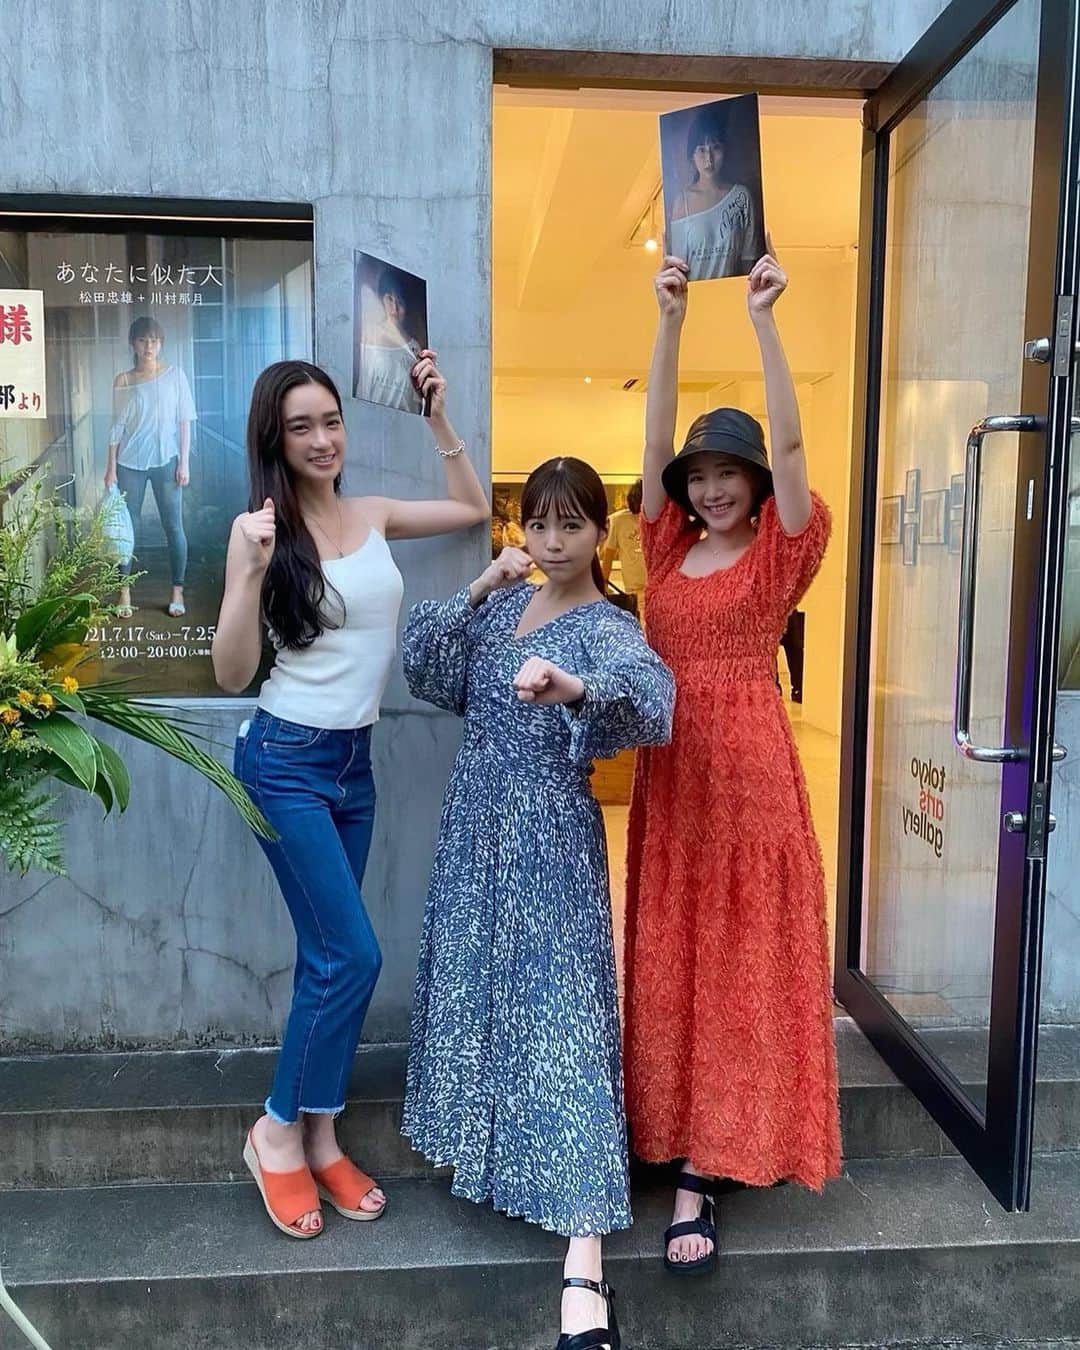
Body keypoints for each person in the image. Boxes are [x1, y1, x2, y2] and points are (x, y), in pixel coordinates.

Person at [211, 353, 489, 1240]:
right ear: (275, 438)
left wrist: (437, 415)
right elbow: (231, 674)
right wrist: (246, 574)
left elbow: (472, 507)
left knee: (327, 959)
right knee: (353, 957)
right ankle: (276, 1130)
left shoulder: (371, 514)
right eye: (302, 426)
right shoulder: (260, 532)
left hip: (351, 767)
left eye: (331, 420)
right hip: (284, 762)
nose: (323, 439)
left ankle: (321, 1133)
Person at [402, 456, 674, 1350]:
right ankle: (490, 1156)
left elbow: (651, 698)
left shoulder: (606, 625)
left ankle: (584, 1251)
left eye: (572, 525)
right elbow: (424, 666)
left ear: (600, 534)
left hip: (551, 831)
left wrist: (575, 689)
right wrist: (481, 583)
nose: (553, 543)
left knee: (564, 1015)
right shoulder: (500, 607)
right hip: (475, 824)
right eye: (540, 524)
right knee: (481, 990)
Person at [624, 248, 841, 1276]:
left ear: (756, 485)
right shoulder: (667, 551)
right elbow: (653, 441)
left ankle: (710, 1165)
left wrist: (762, 320)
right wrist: (668, 321)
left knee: (737, 961)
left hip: (749, 773)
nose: (711, 488)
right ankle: (668, 1131)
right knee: (676, 954)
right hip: (674, 777)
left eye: (729, 474)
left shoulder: (782, 549)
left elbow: (792, 443)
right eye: (700, 476)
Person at [104, 317, 195, 618]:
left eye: (154, 340)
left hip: (167, 460)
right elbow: (116, 427)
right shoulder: (123, 380)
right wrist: (110, 468)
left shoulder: (175, 376)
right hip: (129, 462)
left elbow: (184, 421)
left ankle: (177, 591)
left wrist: (184, 461)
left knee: (173, 525)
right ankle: (124, 591)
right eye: (143, 340)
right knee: (126, 529)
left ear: (161, 343)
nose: (149, 346)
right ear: (133, 344)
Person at [668, 103, 760, 282]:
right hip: (694, 296)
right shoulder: (682, 201)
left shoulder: (741, 197)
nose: (708, 159)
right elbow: (678, 268)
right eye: (701, 150)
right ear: (692, 155)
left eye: (715, 148)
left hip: (733, 294)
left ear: (725, 150)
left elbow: (748, 259)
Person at [355, 269, 424, 414]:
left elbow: (416, 405)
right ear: (382, 298)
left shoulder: (415, 350)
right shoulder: (368, 338)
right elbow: (362, 390)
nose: (394, 309)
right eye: (390, 299)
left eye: (400, 302)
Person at [601, 479, 647, 620]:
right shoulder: (619, 520)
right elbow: (608, 554)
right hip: (633, 589)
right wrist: (603, 584)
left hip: (657, 587)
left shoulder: (659, 519)